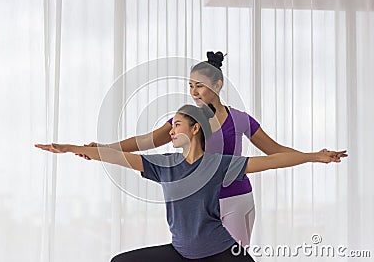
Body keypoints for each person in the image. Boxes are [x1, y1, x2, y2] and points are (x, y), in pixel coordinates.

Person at [78, 51, 347, 246]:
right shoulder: (186, 120)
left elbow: (274, 150)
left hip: (236, 201)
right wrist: (104, 148)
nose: (194, 92)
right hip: (199, 205)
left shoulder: (241, 119)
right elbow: (146, 141)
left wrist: (314, 156)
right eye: (191, 86)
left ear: (217, 86)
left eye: (200, 86)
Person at [35, 104, 346, 262]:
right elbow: (114, 156)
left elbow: (272, 160)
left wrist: (312, 156)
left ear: (196, 128)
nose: (171, 131)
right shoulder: (163, 165)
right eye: (170, 127)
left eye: (177, 125)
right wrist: (72, 148)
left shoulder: (219, 165)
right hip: (181, 252)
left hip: (220, 252)